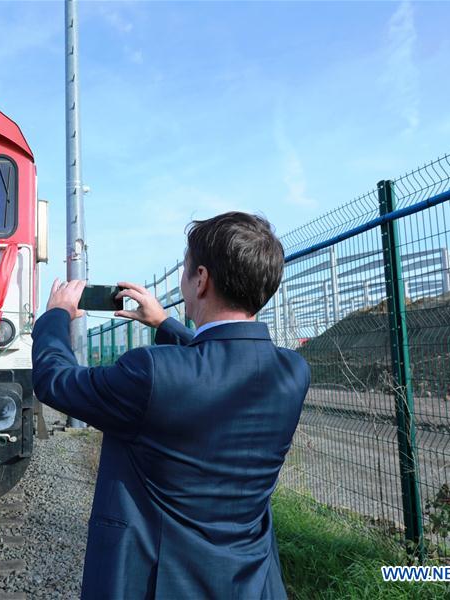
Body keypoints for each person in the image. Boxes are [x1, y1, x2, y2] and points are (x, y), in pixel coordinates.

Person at [31, 212, 310, 599]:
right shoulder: (292, 372)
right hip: (252, 582)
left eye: (185, 268)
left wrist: (55, 315)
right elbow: (221, 365)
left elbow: (55, 380)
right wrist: (165, 323)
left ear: (202, 279)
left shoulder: (150, 374)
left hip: (163, 584)